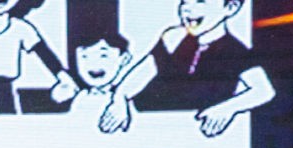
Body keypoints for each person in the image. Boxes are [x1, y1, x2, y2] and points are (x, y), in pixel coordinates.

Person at [100, 0, 274, 137]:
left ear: (230, 7)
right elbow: (142, 73)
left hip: (196, 136)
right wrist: (119, 98)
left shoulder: (235, 51)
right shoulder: (173, 37)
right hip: (150, 129)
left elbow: (263, 91)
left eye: (200, 1)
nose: (187, 9)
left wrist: (227, 109)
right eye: (184, 1)